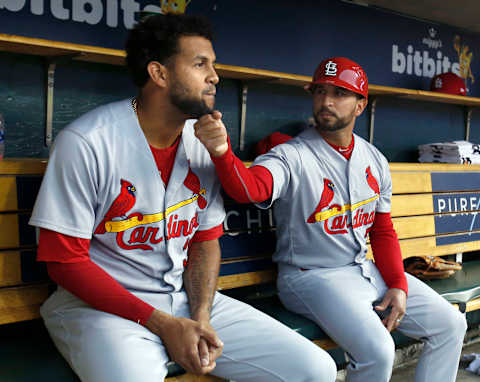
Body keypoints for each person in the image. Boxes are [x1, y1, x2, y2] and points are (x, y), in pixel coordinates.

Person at [28, 14, 337, 382]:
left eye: (213, 65)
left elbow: (206, 242)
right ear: (159, 74)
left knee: (314, 370)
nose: (214, 76)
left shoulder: (201, 141)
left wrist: (201, 315)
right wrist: (163, 324)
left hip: (182, 300)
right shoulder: (88, 142)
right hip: (101, 310)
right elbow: (63, 262)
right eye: (200, 64)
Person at [194, 56, 468, 382]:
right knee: (378, 351)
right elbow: (250, 189)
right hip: (310, 277)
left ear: (359, 106)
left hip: (364, 270)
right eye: (320, 91)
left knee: (451, 325)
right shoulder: (292, 154)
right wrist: (223, 152)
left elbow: (382, 229)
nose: (326, 101)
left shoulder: (374, 159)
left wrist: (397, 284)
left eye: (339, 93)